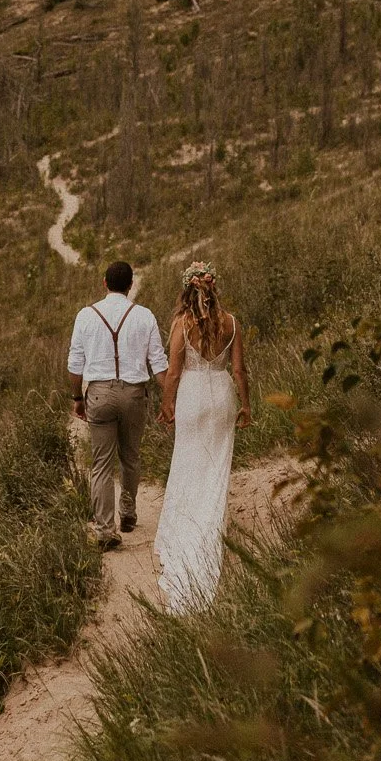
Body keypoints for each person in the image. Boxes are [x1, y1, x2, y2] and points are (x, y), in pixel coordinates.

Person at [155, 261, 249, 612]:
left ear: (187, 291)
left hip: (193, 397)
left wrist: (168, 407)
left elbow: (175, 373)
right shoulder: (232, 323)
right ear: (213, 288)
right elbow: (239, 369)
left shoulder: (182, 324)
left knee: (187, 462)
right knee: (215, 468)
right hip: (222, 396)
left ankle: (185, 532)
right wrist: (247, 406)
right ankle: (211, 531)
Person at [67, 259, 167, 550]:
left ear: (104, 283)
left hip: (98, 393)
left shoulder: (86, 315)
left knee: (101, 464)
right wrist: (171, 397)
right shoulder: (144, 316)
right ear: (131, 284)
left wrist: (77, 398)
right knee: (130, 457)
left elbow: (75, 365)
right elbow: (158, 363)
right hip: (134, 394)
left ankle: (105, 530)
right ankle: (128, 512)